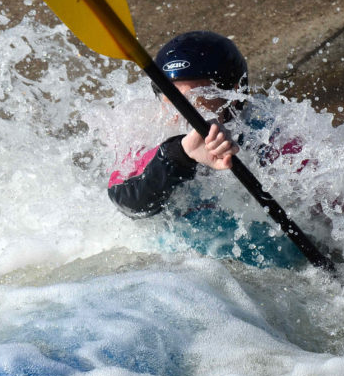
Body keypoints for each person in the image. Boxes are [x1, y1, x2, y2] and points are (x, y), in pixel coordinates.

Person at [107, 30, 308, 268]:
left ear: (231, 95)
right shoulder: (149, 137)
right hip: (181, 272)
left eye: (193, 100)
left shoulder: (269, 136)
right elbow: (129, 204)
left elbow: (332, 216)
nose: (178, 114)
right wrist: (181, 154)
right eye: (170, 99)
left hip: (273, 273)